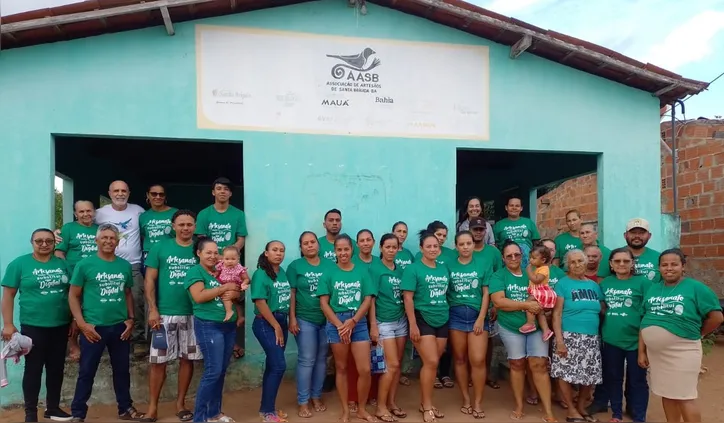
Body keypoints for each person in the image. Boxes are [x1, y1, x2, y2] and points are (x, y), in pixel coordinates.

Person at [68, 224, 145, 421]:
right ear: (97, 241)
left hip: (119, 327)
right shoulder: (84, 265)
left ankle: (125, 408)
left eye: (112, 238)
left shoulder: (124, 265)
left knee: (122, 371)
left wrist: (130, 319)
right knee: (87, 371)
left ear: (117, 242)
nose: (109, 241)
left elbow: (127, 293)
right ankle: (78, 413)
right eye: (104, 238)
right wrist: (82, 324)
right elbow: (73, 296)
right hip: (93, 328)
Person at [639, 249, 723, 423]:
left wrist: (698, 333)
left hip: (682, 351)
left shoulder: (696, 288)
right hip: (657, 355)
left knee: (685, 396)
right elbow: (645, 320)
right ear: (659, 268)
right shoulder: (654, 288)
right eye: (664, 265)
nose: (669, 268)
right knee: (666, 393)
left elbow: (717, 317)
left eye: (674, 264)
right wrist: (642, 351)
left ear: (683, 267)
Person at [1, 229, 74, 422]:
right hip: (33, 326)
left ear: (54, 243)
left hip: (60, 324)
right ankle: (31, 413)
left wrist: (74, 321)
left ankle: (53, 408)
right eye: (39, 241)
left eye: (48, 241)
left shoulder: (63, 265)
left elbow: (73, 295)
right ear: (32, 242)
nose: (44, 244)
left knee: (56, 369)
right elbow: (8, 295)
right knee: (33, 369)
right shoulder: (19, 264)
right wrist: (8, 324)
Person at [143, 210, 202, 422]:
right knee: (158, 362)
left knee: (188, 360)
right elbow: (149, 280)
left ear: (195, 226)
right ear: (173, 226)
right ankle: (152, 408)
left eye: (189, 224)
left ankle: (180, 404)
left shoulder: (200, 249)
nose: (186, 228)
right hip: (164, 315)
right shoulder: (160, 247)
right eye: (181, 224)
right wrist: (152, 309)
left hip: (194, 314)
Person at [490, 240, 556, 422]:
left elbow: (545, 292)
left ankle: (548, 411)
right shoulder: (498, 276)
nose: (513, 258)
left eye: (517, 254)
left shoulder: (535, 272)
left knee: (539, 365)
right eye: (509, 255)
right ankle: (519, 406)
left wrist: (540, 306)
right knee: (517, 364)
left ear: (522, 256)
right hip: (511, 327)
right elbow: (499, 302)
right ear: (503, 258)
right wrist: (526, 305)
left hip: (535, 328)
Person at [317, 234, 376, 423]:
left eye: (346, 249)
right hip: (336, 322)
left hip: (357, 322)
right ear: (335, 251)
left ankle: (360, 408)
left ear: (352, 250)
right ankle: (345, 410)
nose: (343, 253)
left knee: (365, 369)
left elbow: (368, 299)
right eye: (339, 249)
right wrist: (340, 325)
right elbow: (324, 303)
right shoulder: (328, 272)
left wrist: (353, 321)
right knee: (341, 367)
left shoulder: (361, 271)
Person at [184, 237, 241, 423]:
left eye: (216, 252)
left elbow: (236, 291)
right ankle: (199, 418)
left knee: (221, 370)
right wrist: (225, 288)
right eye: (208, 252)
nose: (213, 256)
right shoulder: (195, 271)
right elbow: (199, 296)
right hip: (209, 325)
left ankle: (214, 413)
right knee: (213, 371)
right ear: (198, 253)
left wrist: (236, 293)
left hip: (228, 326)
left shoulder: (221, 270)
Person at [594, 247, 651, 423]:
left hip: (636, 341)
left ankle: (639, 416)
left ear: (632, 263)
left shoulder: (643, 283)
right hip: (611, 339)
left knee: (637, 381)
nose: (621, 264)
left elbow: (648, 311)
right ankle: (616, 413)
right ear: (611, 264)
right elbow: (601, 308)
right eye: (617, 261)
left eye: (626, 261)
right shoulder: (604, 284)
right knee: (614, 377)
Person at [402, 231, 451, 423]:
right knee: (430, 362)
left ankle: (426, 402)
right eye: (428, 246)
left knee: (432, 363)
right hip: (422, 318)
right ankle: (428, 406)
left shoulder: (442, 268)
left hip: (442, 317)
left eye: (435, 246)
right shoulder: (413, 269)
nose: (432, 249)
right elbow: (408, 298)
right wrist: (413, 324)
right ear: (421, 248)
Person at [94, 180, 147, 356]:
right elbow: (83, 226)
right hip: (106, 264)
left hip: (132, 264)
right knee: (106, 301)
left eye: (124, 190)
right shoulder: (99, 214)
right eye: (116, 191)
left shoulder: (138, 211)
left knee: (137, 300)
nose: (120, 194)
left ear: (129, 193)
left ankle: (138, 340)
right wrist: (58, 234)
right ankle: (101, 339)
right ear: (109, 193)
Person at [551, 249, 604, 422]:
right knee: (565, 373)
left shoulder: (594, 286)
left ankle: (581, 406)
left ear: (586, 262)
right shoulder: (563, 284)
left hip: (591, 337)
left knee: (589, 374)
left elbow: (601, 309)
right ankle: (571, 410)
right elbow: (557, 313)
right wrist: (559, 340)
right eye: (572, 262)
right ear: (567, 265)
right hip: (569, 335)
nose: (576, 265)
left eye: (580, 261)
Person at [287, 232, 332, 418]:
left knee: (322, 359)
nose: (310, 245)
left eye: (312, 242)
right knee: (307, 359)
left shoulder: (330, 266)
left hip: (326, 319)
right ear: (301, 247)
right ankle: (303, 401)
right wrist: (292, 318)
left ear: (318, 245)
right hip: (304, 319)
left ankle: (316, 396)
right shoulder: (295, 266)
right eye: (305, 243)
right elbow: (292, 293)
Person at [447, 231, 491, 419]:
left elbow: (486, 293)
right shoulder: (448, 265)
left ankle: (478, 402)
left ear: (474, 245)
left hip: (476, 315)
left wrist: (481, 318)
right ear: (456, 246)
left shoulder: (483, 264)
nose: (465, 247)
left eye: (468, 243)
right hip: (455, 315)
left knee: (478, 360)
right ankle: (466, 398)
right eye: (461, 244)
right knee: (459, 359)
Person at [251, 241, 292, 423]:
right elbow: (260, 302)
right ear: (266, 253)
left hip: (281, 321)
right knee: (278, 365)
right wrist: (276, 326)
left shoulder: (281, 272)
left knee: (272, 365)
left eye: (282, 250)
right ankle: (268, 412)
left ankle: (267, 409)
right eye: (274, 250)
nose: (279, 253)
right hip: (266, 323)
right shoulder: (260, 274)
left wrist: (285, 323)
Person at [369, 233, 407, 422]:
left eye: (395, 247)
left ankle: (391, 403)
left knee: (397, 365)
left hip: (401, 321)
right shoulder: (375, 269)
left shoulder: (400, 270)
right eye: (388, 247)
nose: (391, 250)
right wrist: (373, 325)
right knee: (390, 365)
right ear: (381, 248)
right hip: (384, 322)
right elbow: (371, 299)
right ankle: (380, 407)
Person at [54, 200, 97, 362]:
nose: (86, 214)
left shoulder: (99, 230)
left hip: (94, 278)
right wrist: (68, 274)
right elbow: (59, 252)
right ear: (75, 214)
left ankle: (90, 339)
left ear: (94, 212)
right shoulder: (68, 229)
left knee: (90, 310)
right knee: (72, 312)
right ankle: (73, 343)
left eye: (89, 211)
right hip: (73, 277)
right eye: (81, 212)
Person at [348, 230, 381, 411]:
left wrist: (374, 323)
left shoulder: (378, 263)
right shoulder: (352, 263)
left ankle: (372, 394)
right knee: (353, 360)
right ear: (357, 244)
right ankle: (353, 396)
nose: (366, 243)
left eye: (369, 239)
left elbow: (373, 296)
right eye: (362, 240)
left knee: (375, 358)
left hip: (376, 314)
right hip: (354, 316)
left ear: (374, 242)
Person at [195, 177, 248, 252]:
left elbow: (241, 239)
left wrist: (228, 255)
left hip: (230, 261)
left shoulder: (239, 214)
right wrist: (214, 255)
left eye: (226, 189)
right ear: (213, 192)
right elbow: (201, 240)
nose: (222, 191)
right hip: (210, 259)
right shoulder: (203, 214)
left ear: (230, 193)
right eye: (219, 188)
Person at [492, 197, 540, 269]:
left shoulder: (529, 223)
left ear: (521, 208)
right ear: (506, 207)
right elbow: (495, 246)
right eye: (511, 205)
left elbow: (537, 244)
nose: (514, 208)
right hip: (506, 263)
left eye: (517, 206)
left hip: (527, 263)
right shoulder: (498, 225)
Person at [521, 245, 555, 340]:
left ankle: (530, 323)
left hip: (542, 292)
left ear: (543, 260)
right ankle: (546, 330)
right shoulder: (539, 268)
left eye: (533, 258)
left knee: (528, 303)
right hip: (539, 292)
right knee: (540, 312)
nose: (531, 260)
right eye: (530, 258)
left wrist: (529, 271)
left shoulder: (544, 269)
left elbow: (536, 280)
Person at [139, 184, 177, 260]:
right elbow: (143, 236)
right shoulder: (143, 216)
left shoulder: (175, 213)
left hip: (171, 254)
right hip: (149, 255)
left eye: (161, 194)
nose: (158, 197)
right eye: (154, 194)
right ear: (148, 195)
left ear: (165, 196)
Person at [215, 246, 250, 322]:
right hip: (223, 284)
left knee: (227, 297)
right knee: (234, 302)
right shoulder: (221, 265)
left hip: (235, 286)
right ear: (223, 258)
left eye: (233, 259)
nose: (230, 261)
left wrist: (243, 284)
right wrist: (214, 274)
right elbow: (217, 272)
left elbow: (246, 278)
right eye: (227, 259)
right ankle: (240, 317)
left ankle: (229, 311)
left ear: (238, 259)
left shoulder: (239, 268)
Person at [623, 218, 660, 283]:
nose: (637, 236)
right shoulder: (615, 257)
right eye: (633, 232)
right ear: (625, 235)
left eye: (642, 233)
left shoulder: (659, 257)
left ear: (649, 236)